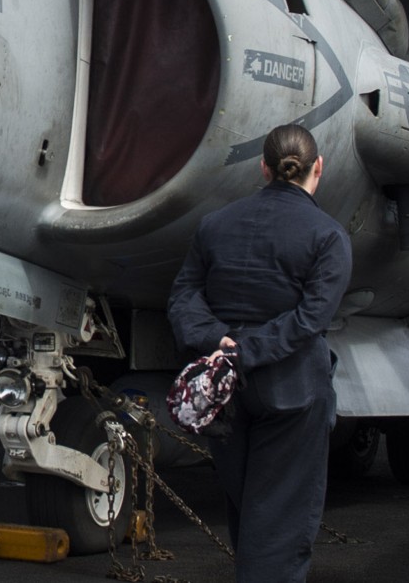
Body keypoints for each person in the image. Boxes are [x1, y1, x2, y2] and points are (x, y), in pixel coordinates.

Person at [167, 123, 351, 583]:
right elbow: (311, 319)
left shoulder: (215, 224)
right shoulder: (328, 236)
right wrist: (251, 350)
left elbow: (184, 295)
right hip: (290, 388)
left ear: (263, 168)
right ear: (318, 169)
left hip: (223, 388)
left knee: (245, 506)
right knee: (282, 521)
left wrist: (217, 338)